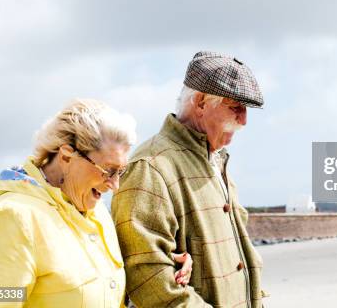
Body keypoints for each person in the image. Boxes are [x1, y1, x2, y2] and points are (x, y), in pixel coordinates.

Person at [0, 99, 192, 307]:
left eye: (121, 172)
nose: (115, 185)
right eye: (108, 171)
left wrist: (159, 262)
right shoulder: (9, 217)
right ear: (66, 156)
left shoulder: (95, 210)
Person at [113, 51, 267, 307]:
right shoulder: (150, 166)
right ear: (200, 102)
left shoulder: (217, 160)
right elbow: (148, 277)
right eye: (235, 108)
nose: (244, 120)